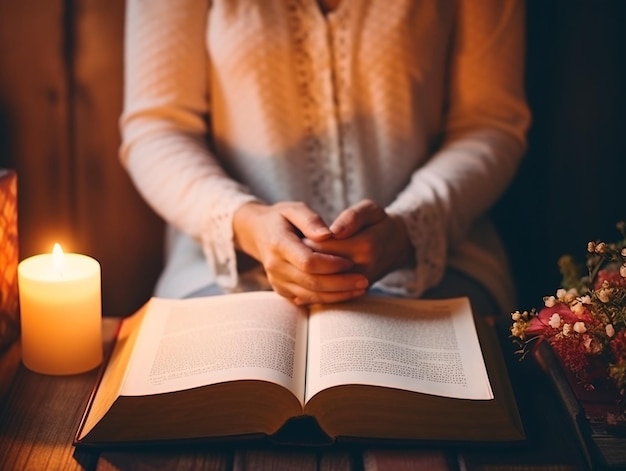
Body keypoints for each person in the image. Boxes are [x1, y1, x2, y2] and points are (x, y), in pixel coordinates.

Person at [120, 0, 530, 316]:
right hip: (228, 268)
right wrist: (245, 224)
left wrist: (412, 229)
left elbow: (489, 122)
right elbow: (158, 127)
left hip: (434, 256)